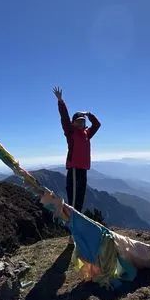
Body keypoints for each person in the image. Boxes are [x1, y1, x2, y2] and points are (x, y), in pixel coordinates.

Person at [52, 86, 100, 216]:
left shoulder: (86, 134)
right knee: (73, 200)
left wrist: (89, 115)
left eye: (83, 122)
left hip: (83, 169)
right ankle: (72, 226)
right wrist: (61, 101)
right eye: (78, 122)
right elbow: (64, 118)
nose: (81, 124)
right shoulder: (70, 132)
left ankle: (77, 223)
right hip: (74, 170)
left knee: (80, 199)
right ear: (73, 123)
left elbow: (97, 125)